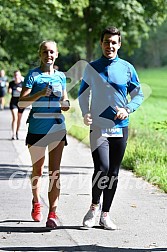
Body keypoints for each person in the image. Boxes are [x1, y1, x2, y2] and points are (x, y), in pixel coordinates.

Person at [79, 26, 144, 230]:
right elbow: (82, 94)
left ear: (119, 44)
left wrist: (128, 109)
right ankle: (93, 207)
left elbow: (138, 95)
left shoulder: (126, 68)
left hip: (120, 126)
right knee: (102, 168)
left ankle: (105, 215)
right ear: (101, 43)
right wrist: (85, 112)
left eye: (114, 42)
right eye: (106, 41)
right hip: (98, 126)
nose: (110, 45)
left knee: (114, 172)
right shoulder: (92, 68)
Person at [19, 40, 70, 229]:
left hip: (56, 128)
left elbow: (64, 101)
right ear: (40, 54)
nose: (48, 55)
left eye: (51, 52)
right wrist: (39, 94)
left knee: (54, 173)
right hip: (37, 129)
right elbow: (22, 103)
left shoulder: (61, 77)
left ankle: (52, 214)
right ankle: (36, 202)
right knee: (38, 171)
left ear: (56, 54)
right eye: (45, 52)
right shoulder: (33, 76)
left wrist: (66, 105)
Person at [8, 70, 24, 140]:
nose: (16, 76)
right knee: (15, 118)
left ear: (20, 76)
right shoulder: (11, 83)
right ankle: (13, 134)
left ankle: (17, 132)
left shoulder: (23, 84)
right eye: (15, 75)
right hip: (13, 102)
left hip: (21, 103)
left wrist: (21, 90)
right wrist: (9, 90)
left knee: (19, 119)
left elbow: (27, 93)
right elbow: (9, 91)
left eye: (17, 75)